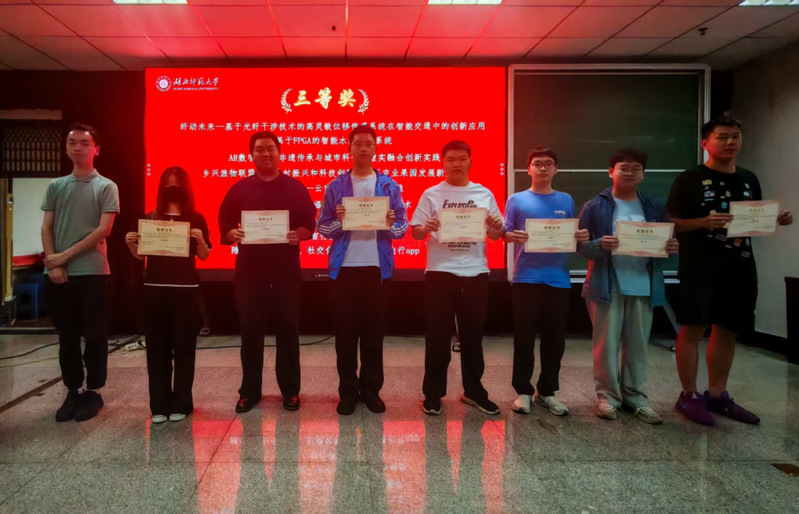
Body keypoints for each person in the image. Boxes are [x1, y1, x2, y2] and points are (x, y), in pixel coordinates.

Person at [666, 116, 793, 426]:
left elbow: (753, 219)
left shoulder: (749, 178)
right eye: (722, 137)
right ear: (705, 143)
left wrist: (775, 219)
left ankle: (717, 393)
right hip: (700, 265)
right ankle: (688, 395)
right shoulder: (689, 178)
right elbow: (669, 223)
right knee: (693, 328)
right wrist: (702, 222)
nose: (730, 142)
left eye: (735, 136)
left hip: (740, 264)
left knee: (728, 329)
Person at [577, 148, 678, 424]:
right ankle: (608, 397)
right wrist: (600, 244)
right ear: (611, 172)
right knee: (606, 346)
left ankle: (636, 397)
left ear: (643, 174)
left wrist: (671, 247)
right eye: (624, 168)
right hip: (606, 285)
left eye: (636, 169)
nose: (630, 173)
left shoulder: (654, 207)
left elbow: (667, 247)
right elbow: (581, 247)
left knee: (638, 346)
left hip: (644, 285)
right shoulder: (594, 206)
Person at [218, 131, 316, 414]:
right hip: (250, 272)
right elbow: (225, 223)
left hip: (286, 271)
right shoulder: (240, 189)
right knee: (250, 331)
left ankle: (290, 391)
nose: (266, 154)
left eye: (271, 148)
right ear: (251, 155)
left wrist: (299, 234)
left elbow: (309, 224)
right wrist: (232, 233)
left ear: (279, 152)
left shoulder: (295, 187)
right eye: (260, 149)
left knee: (288, 330)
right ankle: (249, 391)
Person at [317, 125, 408, 415]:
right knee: (345, 338)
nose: (364, 148)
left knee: (373, 336)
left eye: (369, 143)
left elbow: (402, 228)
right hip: (344, 270)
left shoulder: (389, 186)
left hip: (376, 271)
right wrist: (341, 222)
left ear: (376, 148)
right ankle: (347, 393)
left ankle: (371, 391)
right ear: (350, 148)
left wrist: (390, 223)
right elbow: (322, 226)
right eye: (358, 143)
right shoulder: (336, 186)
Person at [411, 139, 505, 416]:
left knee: (473, 337)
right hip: (440, 273)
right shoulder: (431, 194)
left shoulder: (483, 193)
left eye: (461, 159)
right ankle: (433, 394)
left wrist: (496, 226)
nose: (456, 164)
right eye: (450, 159)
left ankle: (474, 391)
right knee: (437, 337)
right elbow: (415, 233)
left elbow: (496, 234)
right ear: (442, 163)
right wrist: (426, 227)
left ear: (470, 161)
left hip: (475, 272)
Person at [41, 123, 119, 422]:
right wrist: (55, 263)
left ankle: (94, 392)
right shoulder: (56, 186)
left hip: (93, 272)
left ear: (96, 149)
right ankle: (73, 390)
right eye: (72, 142)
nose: (77, 147)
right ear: (66, 148)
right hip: (59, 273)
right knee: (67, 337)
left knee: (96, 336)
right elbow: (47, 227)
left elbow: (103, 230)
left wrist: (64, 256)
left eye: (84, 143)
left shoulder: (106, 186)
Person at [504, 146, 589, 416]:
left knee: (555, 340)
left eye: (548, 163)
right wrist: (511, 236)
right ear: (529, 169)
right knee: (524, 338)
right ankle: (523, 391)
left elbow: (570, 235)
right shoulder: (516, 200)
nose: (543, 168)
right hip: (526, 279)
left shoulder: (566, 200)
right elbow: (505, 233)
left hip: (558, 280)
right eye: (537, 163)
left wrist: (578, 237)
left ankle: (547, 392)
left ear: (556, 169)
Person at [125, 166, 211, 424]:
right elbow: (141, 256)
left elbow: (204, 255)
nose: (173, 187)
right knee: (157, 350)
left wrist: (200, 241)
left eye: (177, 183)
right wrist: (131, 244)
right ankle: (159, 405)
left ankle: (182, 403)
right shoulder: (150, 218)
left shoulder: (196, 218)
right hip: (155, 290)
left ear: (186, 187)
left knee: (185, 350)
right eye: (168, 183)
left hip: (186, 292)